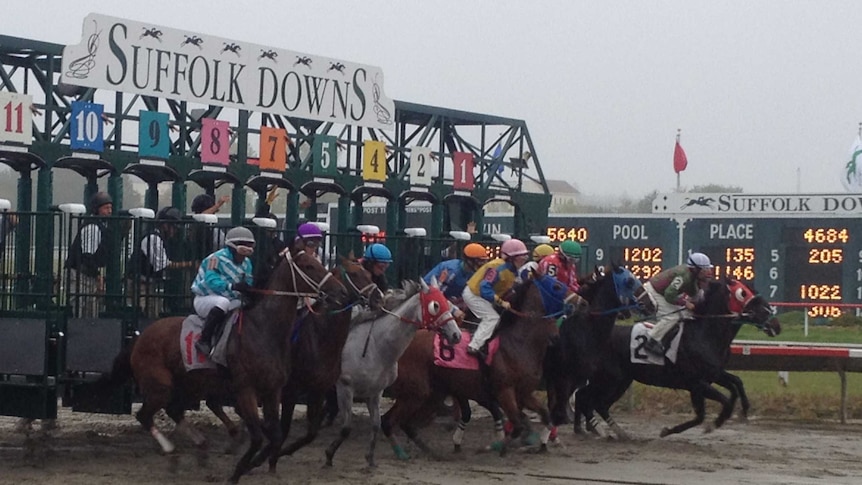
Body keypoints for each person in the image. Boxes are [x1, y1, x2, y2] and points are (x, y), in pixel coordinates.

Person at [192, 226, 255, 357]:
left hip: (232, 299)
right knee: (223, 303)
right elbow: (211, 280)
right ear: (232, 247)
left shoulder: (247, 263)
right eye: (241, 252)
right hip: (206, 298)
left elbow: (247, 281)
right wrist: (232, 286)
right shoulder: (214, 259)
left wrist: (248, 288)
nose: (243, 257)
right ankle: (204, 340)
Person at [463, 238, 530, 357]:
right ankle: (474, 346)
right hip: (474, 295)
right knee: (492, 317)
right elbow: (484, 289)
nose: (524, 258)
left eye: (525, 255)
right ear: (510, 257)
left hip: (485, 297)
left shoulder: (514, 270)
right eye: (521, 256)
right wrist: (501, 302)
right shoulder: (497, 267)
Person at [643, 252, 714, 355]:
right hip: (655, 292)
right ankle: (651, 342)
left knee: (686, 314)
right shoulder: (683, 276)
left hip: (665, 292)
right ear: (695, 269)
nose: (708, 272)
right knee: (672, 317)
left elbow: (695, 294)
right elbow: (669, 295)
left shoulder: (693, 276)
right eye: (705, 269)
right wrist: (685, 303)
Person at [131, 207, 195, 318]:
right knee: (142, 316)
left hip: (148, 284)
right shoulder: (153, 238)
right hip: (139, 284)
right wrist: (190, 264)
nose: (174, 231)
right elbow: (162, 264)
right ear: (165, 225)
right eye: (173, 227)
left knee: (153, 315)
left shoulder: (159, 238)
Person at [64, 192, 114, 317]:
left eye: (110, 208)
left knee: (91, 310)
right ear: (97, 209)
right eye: (106, 208)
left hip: (87, 274)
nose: (109, 211)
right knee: (82, 311)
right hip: (79, 275)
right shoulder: (92, 227)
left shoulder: (99, 225)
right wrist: (98, 276)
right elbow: (87, 256)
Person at [424, 242, 488, 304]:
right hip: (430, 296)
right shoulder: (452, 271)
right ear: (469, 261)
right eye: (480, 261)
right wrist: (454, 309)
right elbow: (438, 295)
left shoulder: (472, 273)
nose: (482, 264)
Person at [253, 212, 287, 288]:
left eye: (272, 229)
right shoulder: (255, 242)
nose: (271, 232)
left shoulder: (279, 244)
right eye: (268, 229)